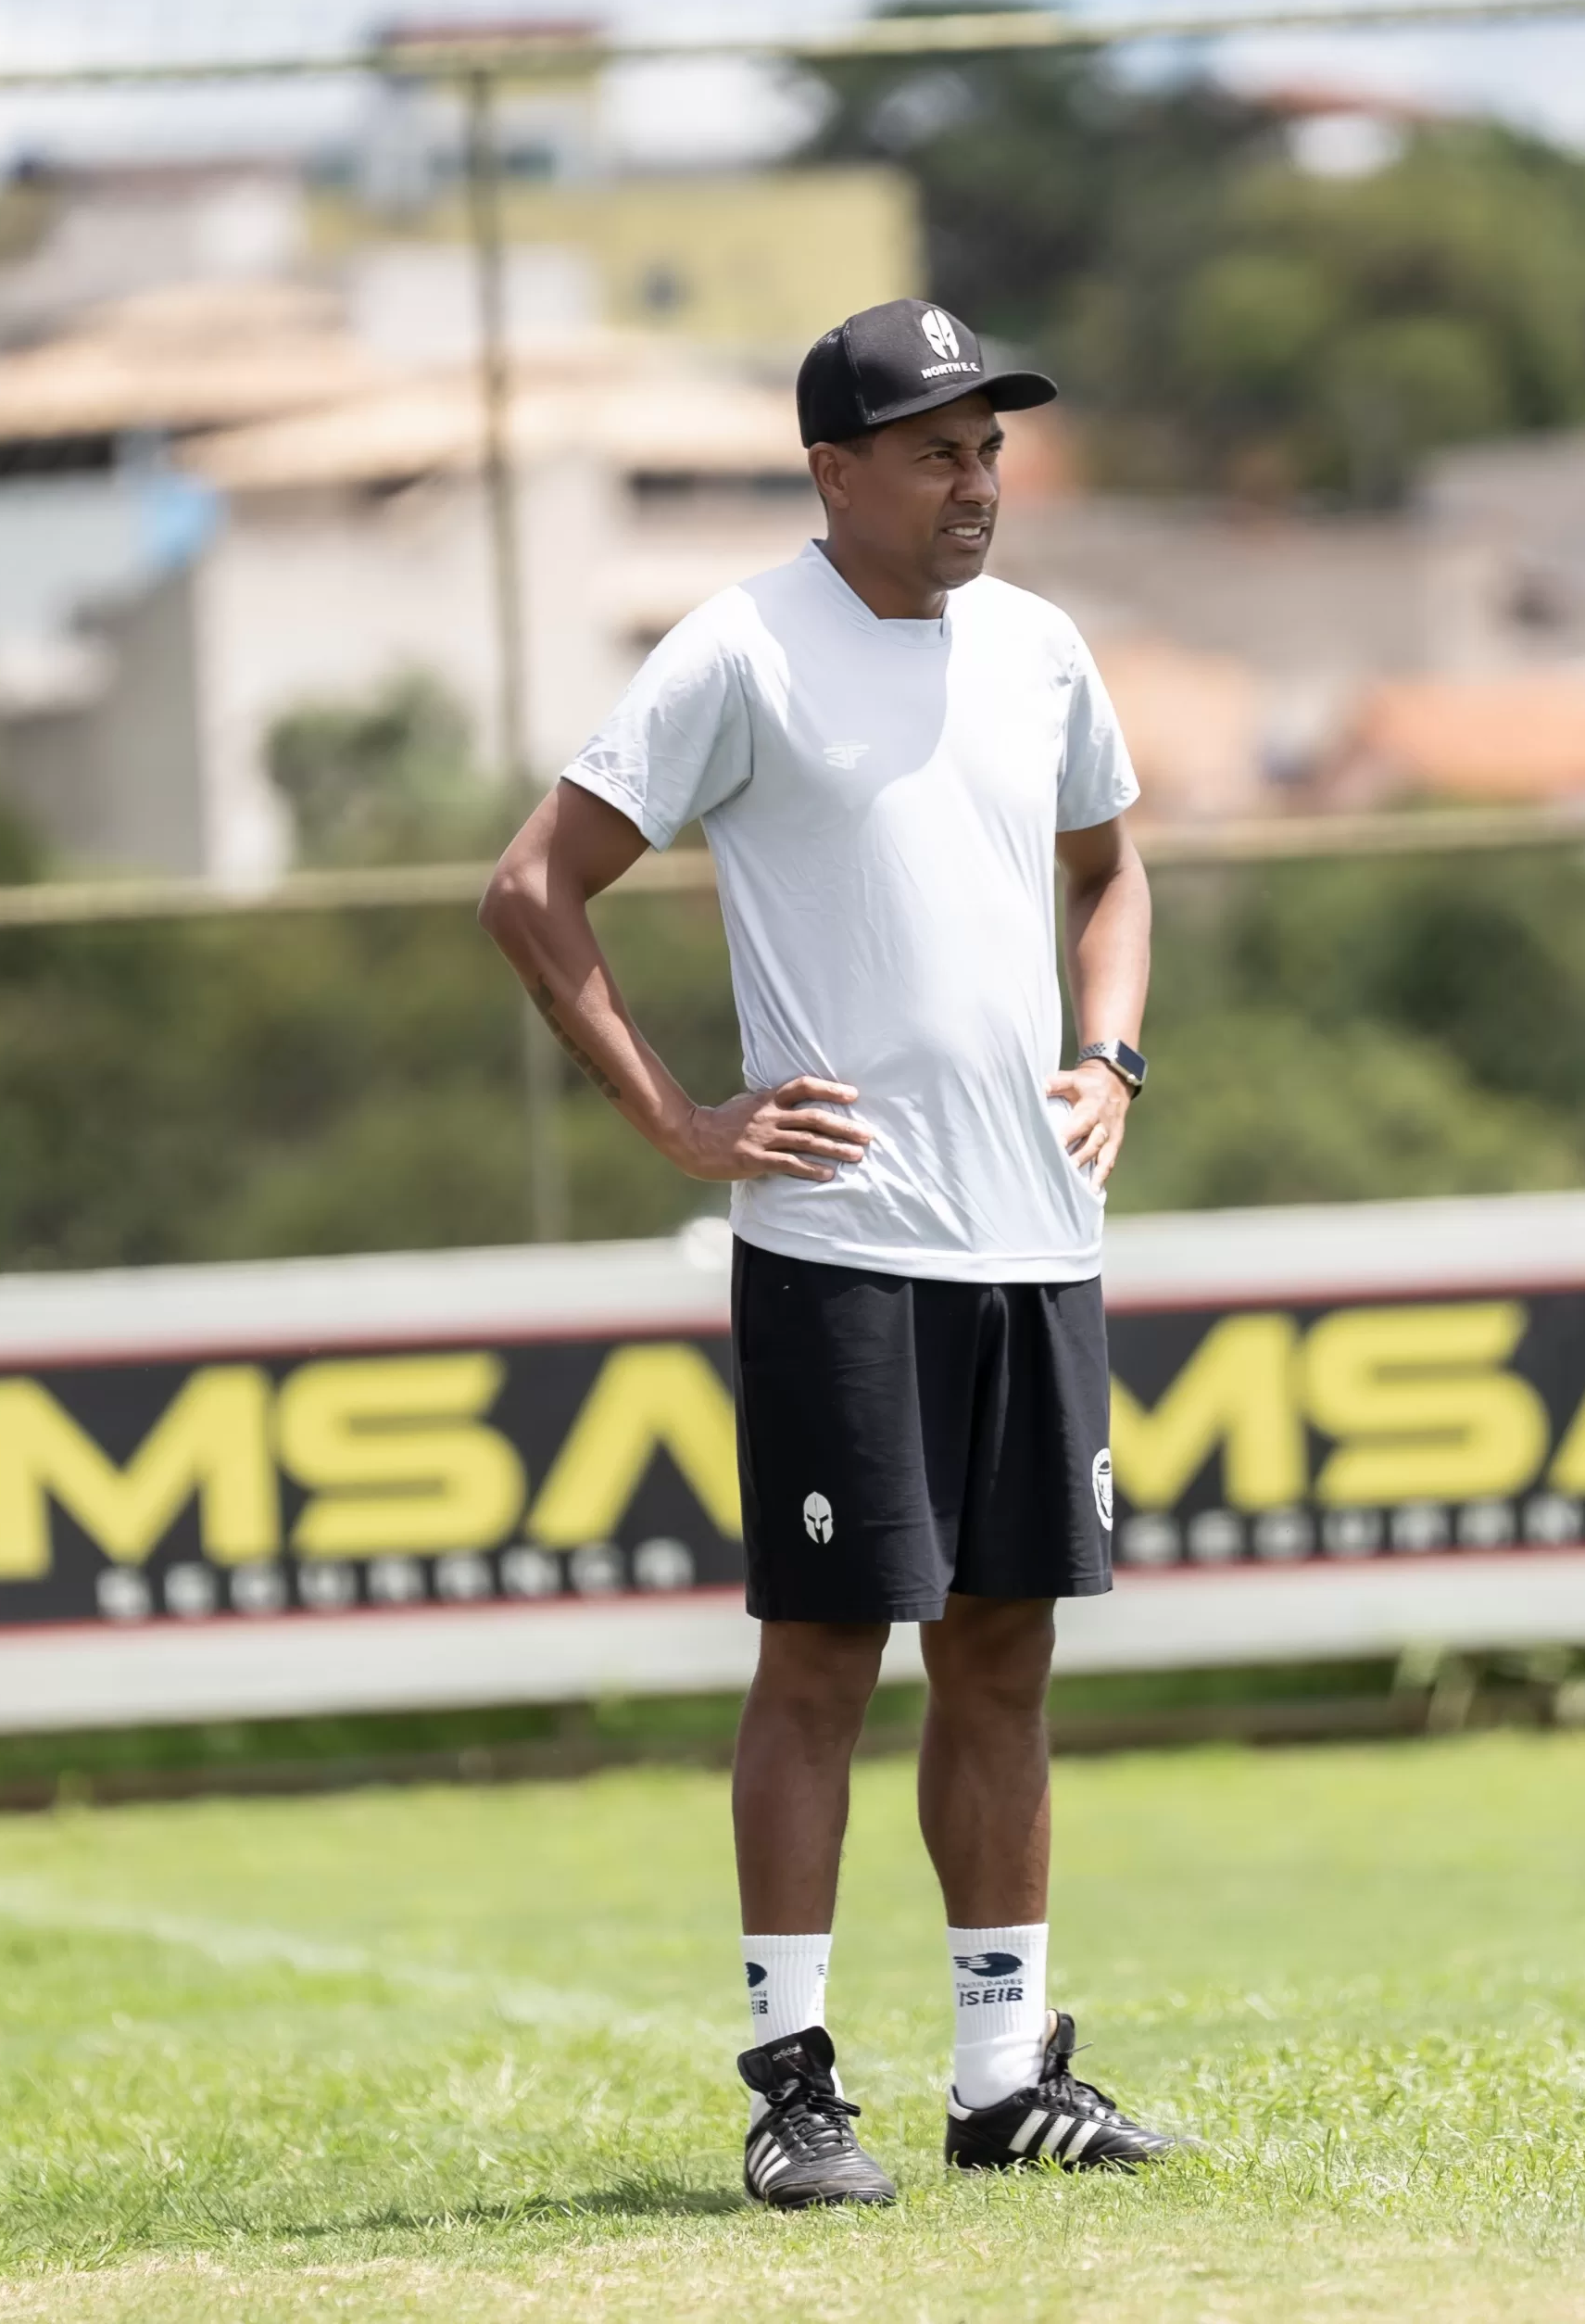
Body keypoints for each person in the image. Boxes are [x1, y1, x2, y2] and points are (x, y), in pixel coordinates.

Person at [480, 297, 1169, 2206]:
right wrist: (678, 1123)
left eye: (991, 445)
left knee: (1006, 1652)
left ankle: (1001, 2072)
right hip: (844, 1245)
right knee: (820, 1659)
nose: (977, 481)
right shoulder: (735, 652)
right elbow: (531, 886)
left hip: (1033, 1241)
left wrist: (1109, 1053)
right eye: (937, 449)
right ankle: (796, 2084)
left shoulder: (1037, 649)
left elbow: (1112, 868)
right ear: (835, 470)